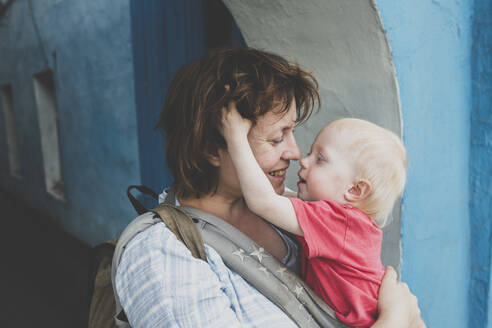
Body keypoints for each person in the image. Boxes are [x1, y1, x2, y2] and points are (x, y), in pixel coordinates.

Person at [114, 47, 425, 327]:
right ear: (213, 148)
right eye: (277, 138)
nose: (294, 153)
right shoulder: (165, 255)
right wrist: (395, 320)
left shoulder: (293, 214)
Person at [221, 107, 407, 327]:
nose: (303, 160)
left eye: (320, 159)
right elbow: (273, 197)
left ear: (355, 190)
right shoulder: (346, 221)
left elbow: (263, 201)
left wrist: (235, 137)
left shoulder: (338, 221)